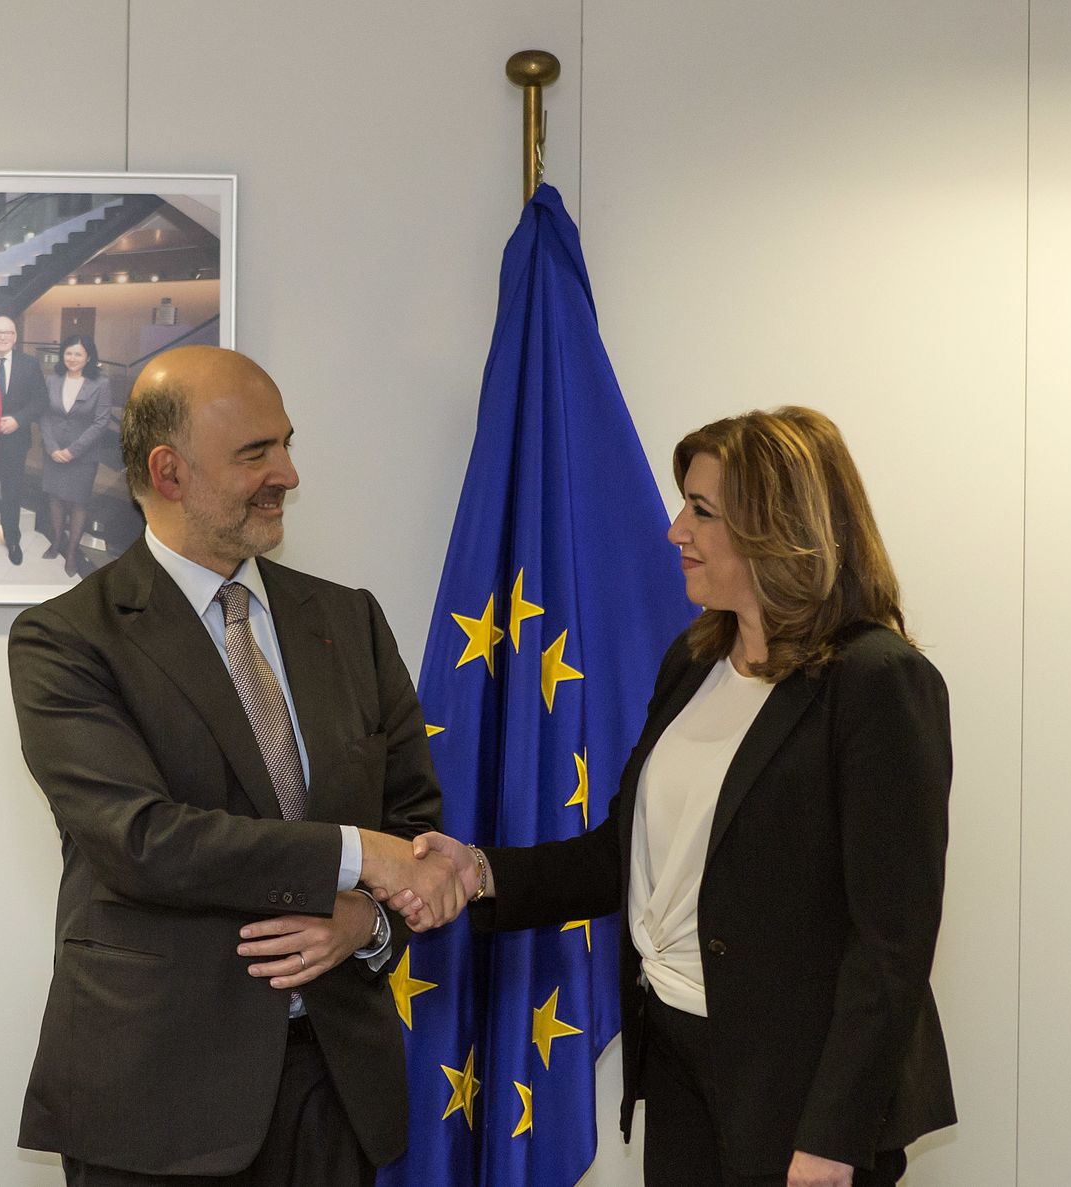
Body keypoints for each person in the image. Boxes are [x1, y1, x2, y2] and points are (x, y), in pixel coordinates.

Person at [396, 407, 955, 1187]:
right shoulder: (693, 664)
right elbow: (621, 854)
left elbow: (892, 941)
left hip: (802, 1094)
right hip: (680, 1059)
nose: (675, 531)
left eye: (701, 510)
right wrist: (482, 871)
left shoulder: (876, 682)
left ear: (778, 529)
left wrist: (834, 1134)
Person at [6, 345, 465, 1186]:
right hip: (158, 1099)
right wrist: (357, 855)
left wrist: (368, 922)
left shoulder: (351, 621)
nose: (287, 473)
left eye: (285, 444)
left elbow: (414, 828)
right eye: (256, 453)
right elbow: (141, 840)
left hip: (336, 1084)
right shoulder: (67, 640)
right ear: (169, 472)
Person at [39, 333, 111, 577]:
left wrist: (73, 451)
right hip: (54, 452)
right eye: (68, 353)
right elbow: (44, 415)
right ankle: (57, 542)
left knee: (79, 503)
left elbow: (101, 422)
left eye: (78, 354)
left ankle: (71, 553)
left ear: (88, 357)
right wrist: (52, 448)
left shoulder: (101, 383)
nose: (72, 358)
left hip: (83, 456)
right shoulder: (52, 380)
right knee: (55, 499)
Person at [0, 316, 42, 565]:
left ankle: (12, 539)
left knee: (12, 492)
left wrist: (18, 419)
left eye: (8, 332)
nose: (2, 337)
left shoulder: (30, 364)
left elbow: (40, 400)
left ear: (15, 337)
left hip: (16, 440)